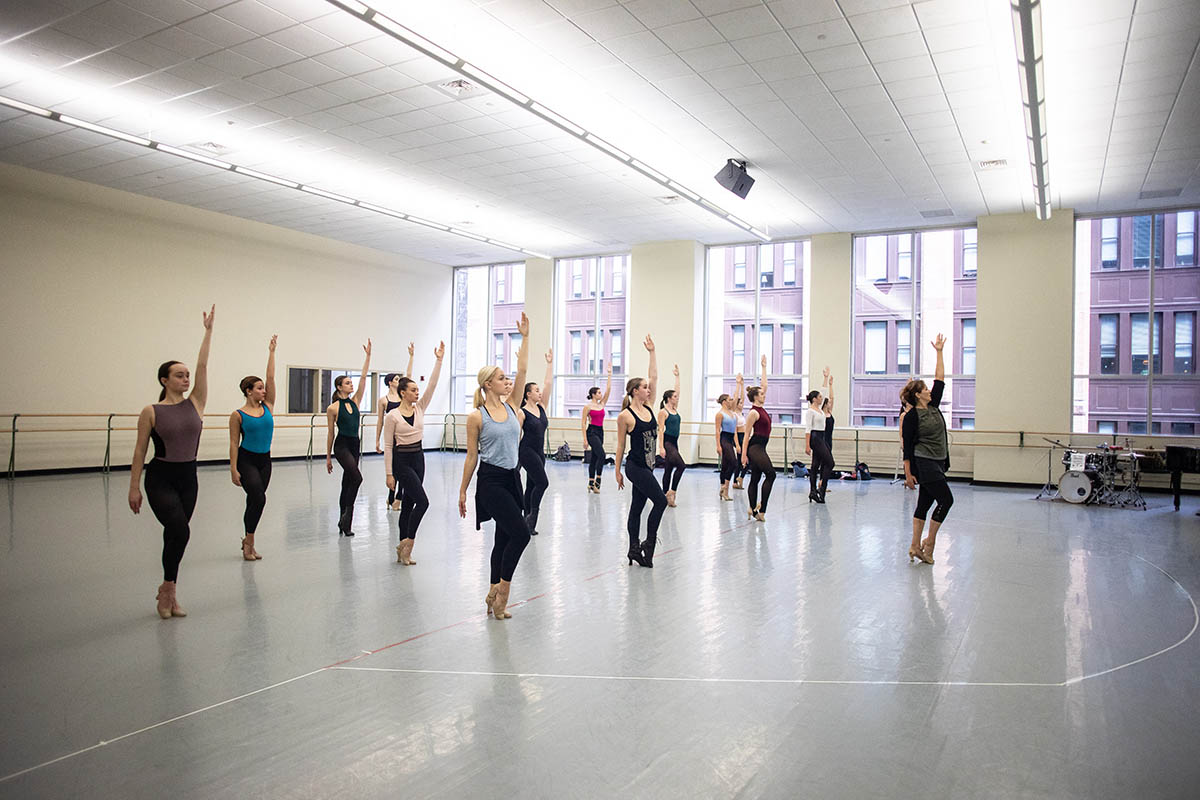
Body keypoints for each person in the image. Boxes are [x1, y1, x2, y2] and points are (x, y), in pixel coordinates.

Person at [128, 304, 214, 619]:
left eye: (187, 375)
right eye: (179, 375)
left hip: (188, 477)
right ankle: (168, 590)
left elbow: (203, 366)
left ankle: (169, 590)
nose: (186, 378)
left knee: (175, 534)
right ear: (165, 379)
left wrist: (208, 333)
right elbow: (139, 451)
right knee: (180, 529)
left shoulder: (196, 403)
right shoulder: (151, 410)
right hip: (160, 477)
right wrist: (133, 487)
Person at [458, 313, 532, 620]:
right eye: (502, 378)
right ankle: (502, 594)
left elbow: (524, 369)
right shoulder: (477, 416)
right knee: (522, 534)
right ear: (489, 383)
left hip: (513, 479)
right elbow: (472, 456)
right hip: (490, 482)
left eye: (507, 378)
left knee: (504, 537)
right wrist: (463, 491)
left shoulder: (512, 406)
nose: (508, 381)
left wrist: (525, 337)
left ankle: (490, 592)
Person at [383, 342, 443, 565]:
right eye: (413, 390)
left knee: (408, 504)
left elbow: (433, 385)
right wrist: (389, 474)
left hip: (419, 459)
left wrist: (438, 360)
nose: (418, 393)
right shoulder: (393, 416)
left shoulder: (419, 408)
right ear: (402, 393)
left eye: (418, 390)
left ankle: (402, 550)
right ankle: (408, 542)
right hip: (402, 461)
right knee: (423, 502)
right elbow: (388, 446)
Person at [902, 334, 952, 565]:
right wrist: (908, 472)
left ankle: (914, 545)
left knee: (924, 503)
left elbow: (940, 379)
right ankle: (929, 543)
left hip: (938, 461)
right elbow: (908, 445)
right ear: (918, 394)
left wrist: (939, 352)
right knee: (946, 500)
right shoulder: (912, 416)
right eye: (925, 389)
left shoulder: (932, 406)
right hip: (924, 462)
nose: (929, 390)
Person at [615, 336, 663, 567]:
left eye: (647, 388)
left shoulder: (650, 408)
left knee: (637, 507)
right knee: (661, 502)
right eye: (644, 387)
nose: (648, 389)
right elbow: (620, 445)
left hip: (649, 466)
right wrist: (617, 471)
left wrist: (652, 352)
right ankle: (648, 544)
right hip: (635, 467)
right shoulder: (625, 416)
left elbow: (654, 376)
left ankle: (634, 548)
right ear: (635, 391)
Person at [228, 335, 277, 562]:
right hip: (246, 461)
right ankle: (249, 543)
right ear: (248, 391)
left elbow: (270, 377)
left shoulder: (268, 406)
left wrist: (272, 352)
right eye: (259, 388)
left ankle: (248, 540)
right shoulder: (237, 415)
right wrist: (233, 469)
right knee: (258, 498)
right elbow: (233, 443)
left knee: (254, 500)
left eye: (263, 388)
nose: (263, 391)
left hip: (265, 461)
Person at [326, 340, 372, 536]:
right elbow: (330, 433)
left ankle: (344, 521)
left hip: (355, 444)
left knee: (347, 482)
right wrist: (328, 457)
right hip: (342, 445)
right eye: (347, 383)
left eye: (350, 382)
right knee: (357, 477)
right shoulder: (333, 408)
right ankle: (347, 517)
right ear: (339, 387)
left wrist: (368, 357)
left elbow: (363, 380)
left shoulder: (355, 402)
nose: (351, 384)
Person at [375, 342, 414, 510]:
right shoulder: (384, 400)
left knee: (404, 470)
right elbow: (380, 421)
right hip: (391, 438)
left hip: (404, 438)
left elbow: (410, 374)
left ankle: (398, 497)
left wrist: (411, 357)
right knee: (394, 469)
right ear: (391, 382)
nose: (400, 381)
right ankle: (391, 496)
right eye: (397, 379)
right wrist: (377, 440)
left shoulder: (402, 398)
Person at [519, 348, 554, 535]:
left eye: (539, 391)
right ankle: (530, 519)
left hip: (540, 453)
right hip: (526, 452)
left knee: (532, 485)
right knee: (542, 483)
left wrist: (549, 363)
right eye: (536, 391)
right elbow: (516, 435)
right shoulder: (521, 412)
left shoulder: (541, 407)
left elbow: (548, 383)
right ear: (527, 394)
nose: (539, 393)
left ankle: (527, 521)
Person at [740, 355, 774, 522]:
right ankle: (761, 510)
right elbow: (746, 435)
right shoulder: (753, 412)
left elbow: (765, 385)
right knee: (771, 474)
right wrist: (744, 455)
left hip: (762, 446)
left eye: (763, 393)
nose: (764, 394)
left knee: (755, 478)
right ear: (755, 397)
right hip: (755, 447)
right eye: (761, 394)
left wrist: (764, 367)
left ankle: (752, 509)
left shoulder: (762, 408)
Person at [581, 364, 613, 493]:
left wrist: (609, 374)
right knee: (602, 455)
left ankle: (590, 482)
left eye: (600, 392)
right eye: (599, 392)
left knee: (594, 458)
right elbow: (583, 423)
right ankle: (597, 482)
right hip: (592, 432)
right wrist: (584, 439)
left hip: (600, 431)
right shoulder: (587, 407)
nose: (601, 394)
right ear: (593, 394)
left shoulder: (602, 404)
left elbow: (608, 390)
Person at [656, 364, 685, 507]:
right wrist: (661, 447)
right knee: (681, 466)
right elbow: (660, 430)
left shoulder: (674, 408)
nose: (677, 398)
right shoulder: (663, 412)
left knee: (668, 469)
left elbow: (678, 390)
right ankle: (671, 492)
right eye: (674, 397)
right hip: (668, 443)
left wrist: (677, 376)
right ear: (668, 398)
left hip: (675, 442)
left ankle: (665, 496)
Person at [713, 374, 742, 501]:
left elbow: (735, 431)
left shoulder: (733, 414)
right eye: (729, 399)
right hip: (724, 440)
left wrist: (738, 384)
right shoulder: (720, 414)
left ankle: (723, 490)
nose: (732, 401)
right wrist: (718, 445)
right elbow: (717, 431)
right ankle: (725, 488)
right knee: (734, 463)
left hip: (731, 440)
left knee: (725, 465)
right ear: (724, 402)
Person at [805, 386, 832, 503]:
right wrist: (807, 445)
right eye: (820, 397)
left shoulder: (820, 409)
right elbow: (808, 429)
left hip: (822, 437)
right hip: (815, 437)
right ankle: (821, 490)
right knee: (830, 463)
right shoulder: (810, 411)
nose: (822, 398)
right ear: (815, 399)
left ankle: (813, 492)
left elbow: (825, 393)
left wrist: (826, 378)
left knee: (815, 465)